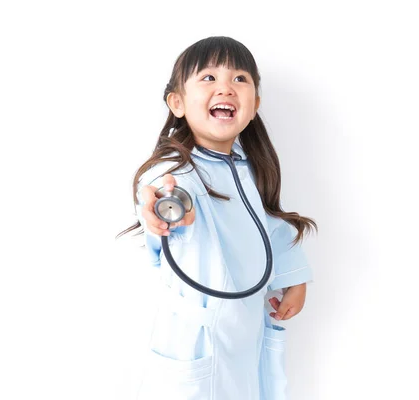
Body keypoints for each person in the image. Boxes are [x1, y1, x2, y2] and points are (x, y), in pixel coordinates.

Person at [116, 36, 317, 400]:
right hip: (197, 338)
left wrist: (294, 278)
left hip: (244, 330)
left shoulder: (247, 170)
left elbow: (268, 226)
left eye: (240, 79)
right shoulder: (175, 172)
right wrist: (164, 205)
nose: (226, 87)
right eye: (208, 78)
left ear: (254, 105)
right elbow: (160, 193)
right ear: (177, 102)